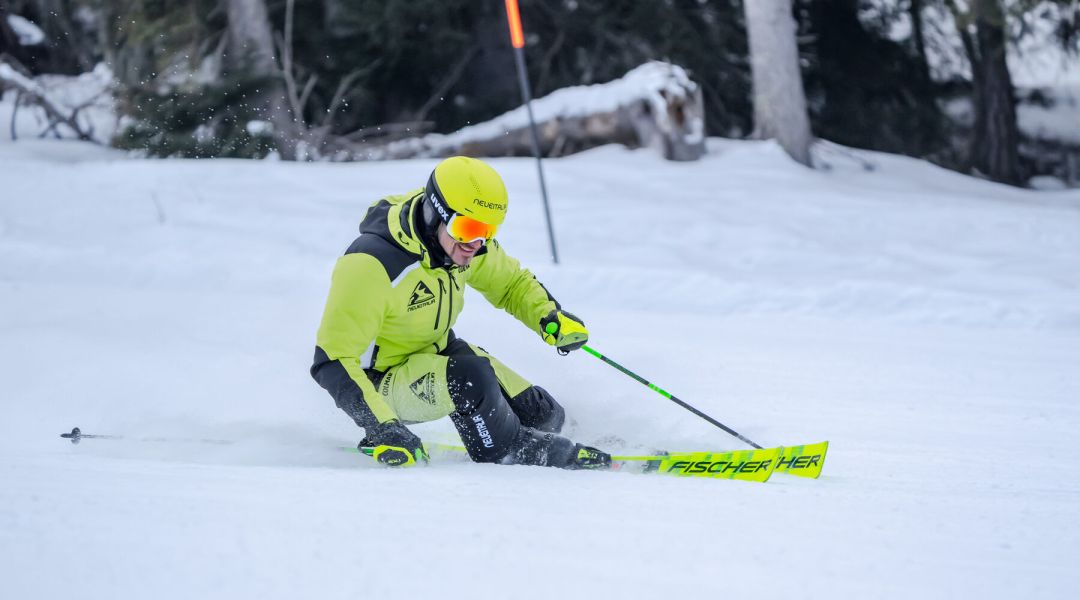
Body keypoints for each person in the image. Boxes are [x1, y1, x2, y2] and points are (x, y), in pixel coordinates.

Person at [311, 156, 611, 470]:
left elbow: (509, 284)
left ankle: (578, 440)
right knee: (470, 380)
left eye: (487, 231)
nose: (476, 244)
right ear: (434, 214)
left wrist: (549, 316)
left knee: (542, 413)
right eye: (468, 229)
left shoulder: (462, 242)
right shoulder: (372, 264)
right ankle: (512, 451)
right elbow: (332, 360)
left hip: (432, 352)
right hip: (380, 382)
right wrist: (383, 426)